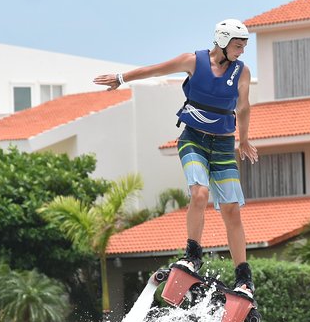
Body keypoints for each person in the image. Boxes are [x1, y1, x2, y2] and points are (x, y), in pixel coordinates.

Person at [94, 19, 258, 297]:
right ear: (222, 41)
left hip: (222, 144)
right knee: (199, 194)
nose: (241, 51)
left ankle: (243, 277)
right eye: (238, 45)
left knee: (231, 209)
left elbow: (243, 108)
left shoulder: (242, 72)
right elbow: (154, 69)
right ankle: (193, 255)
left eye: (244, 46)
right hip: (193, 138)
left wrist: (243, 139)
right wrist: (120, 79)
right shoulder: (193, 61)